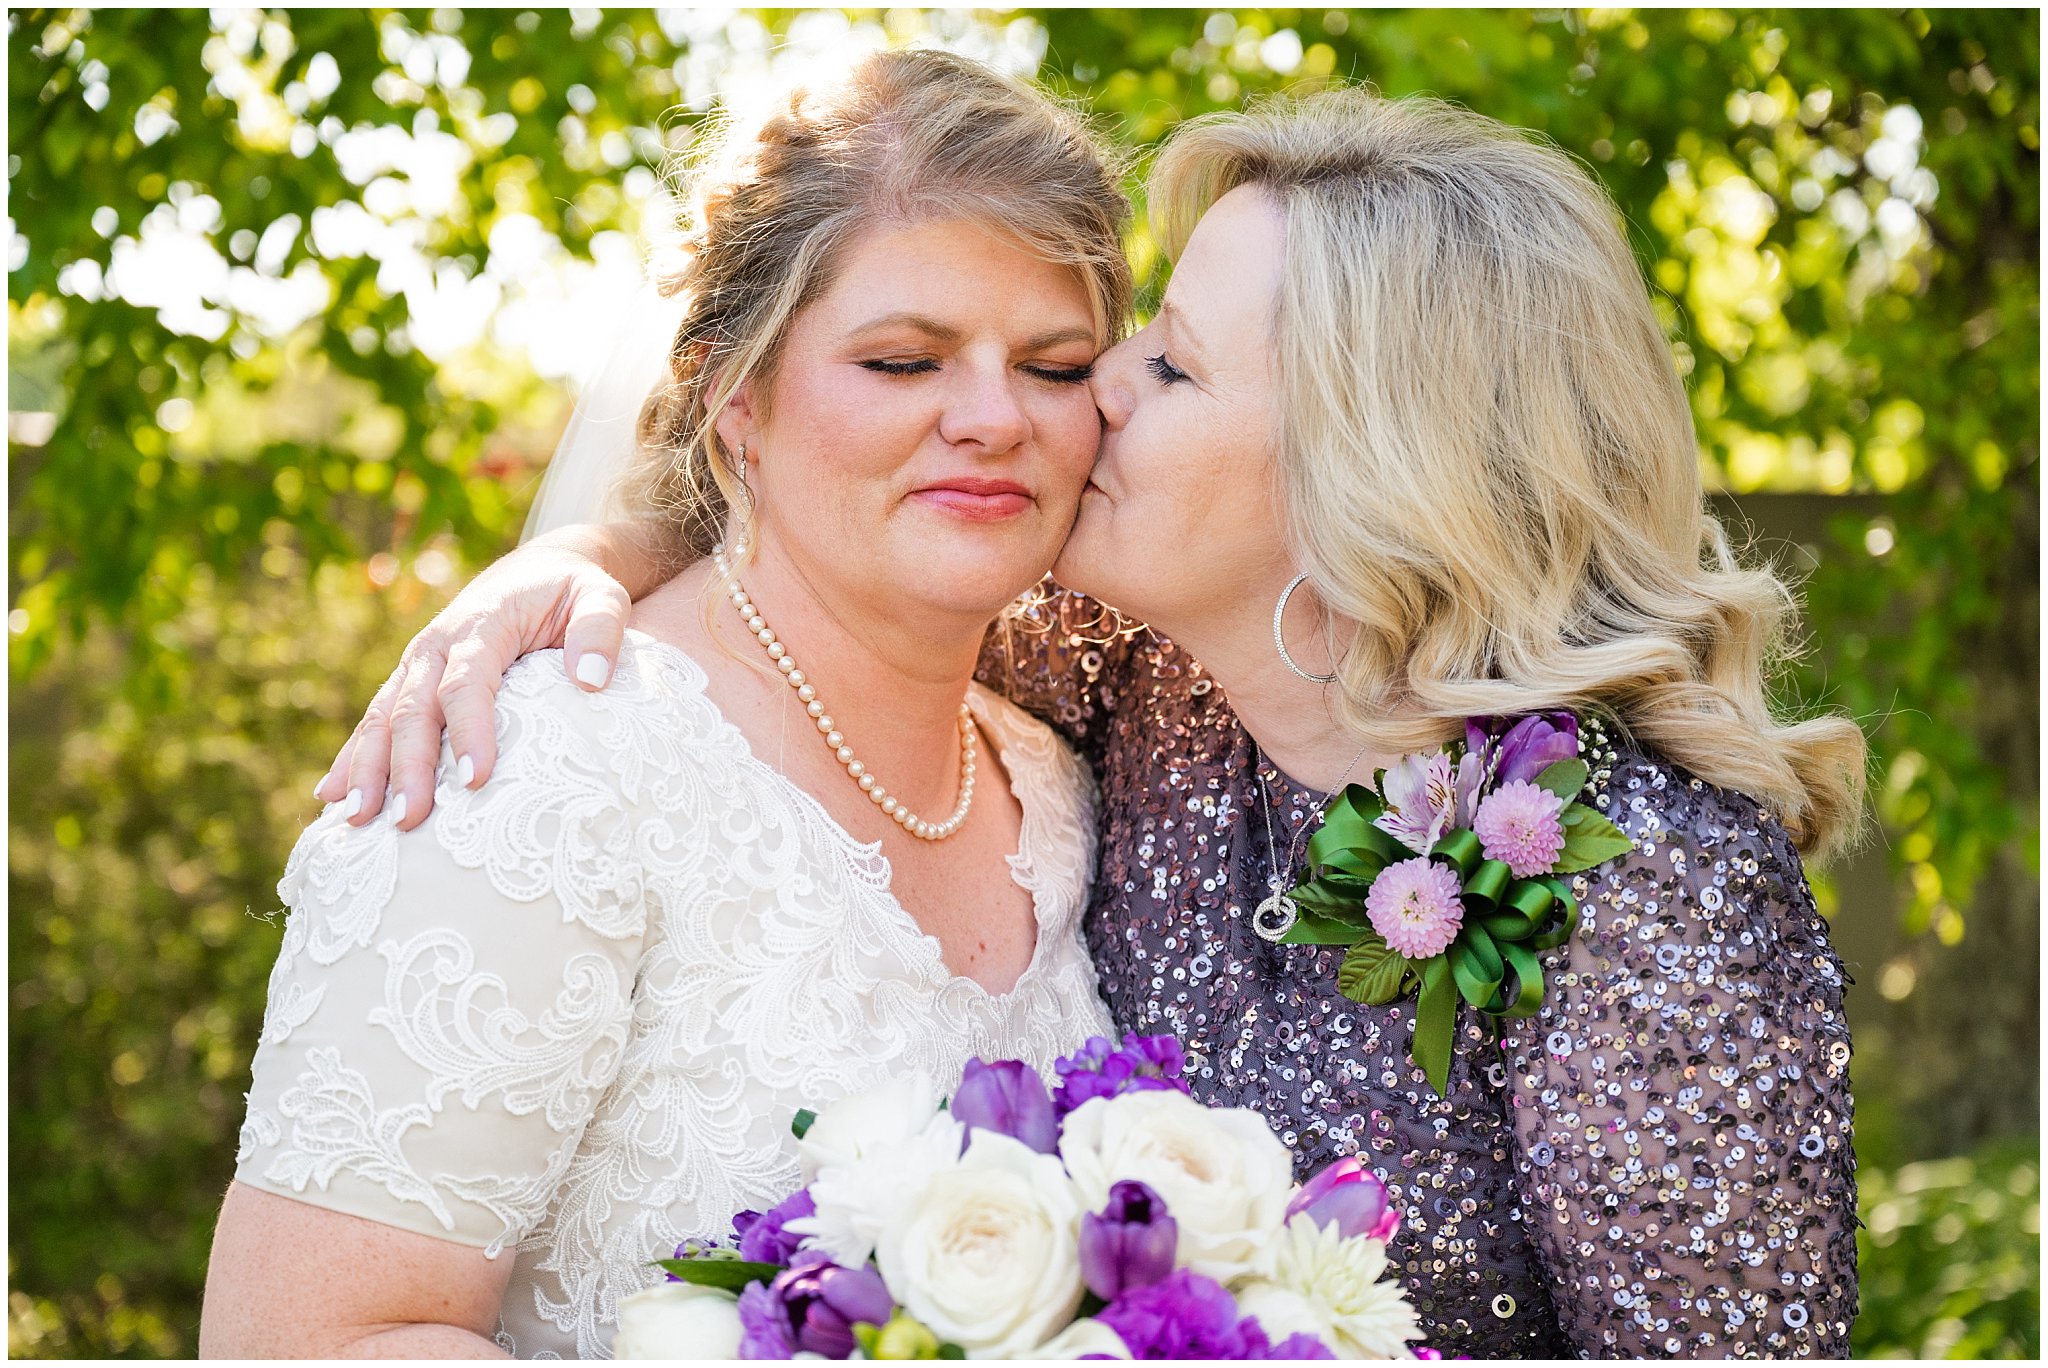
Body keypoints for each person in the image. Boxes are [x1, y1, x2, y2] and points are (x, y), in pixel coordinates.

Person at [318, 89, 1868, 1356]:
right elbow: (826, 542)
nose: (1083, 399)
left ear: (1363, 473)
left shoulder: (1649, 883)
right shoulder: (1146, 693)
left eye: (1159, 362)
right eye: (1116, 349)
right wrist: (575, 561)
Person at [201, 49, 1132, 1358]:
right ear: (732, 394)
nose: (993, 417)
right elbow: (309, 1342)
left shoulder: (1063, 781)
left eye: (1054, 364)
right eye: (903, 361)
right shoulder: (539, 772)